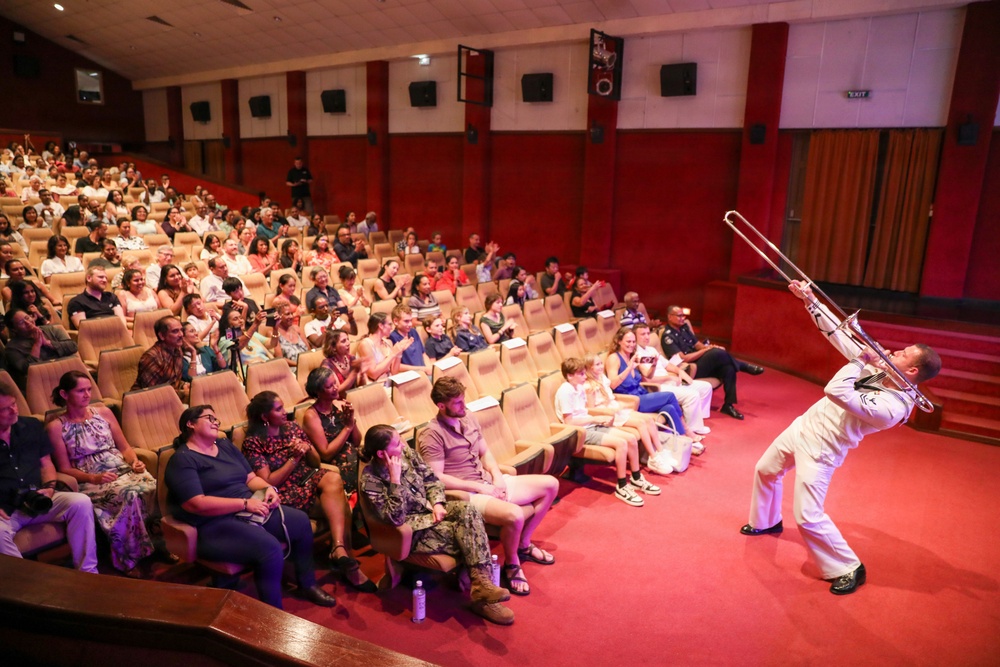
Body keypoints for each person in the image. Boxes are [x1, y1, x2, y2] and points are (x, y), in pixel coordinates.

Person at [740, 281, 942, 595]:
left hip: (822, 449)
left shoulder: (893, 407)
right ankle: (766, 521)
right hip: (802, 427)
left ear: (913, 371)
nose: (894, 352)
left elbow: (836, 391)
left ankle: (848, 567)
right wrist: (810, 301)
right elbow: (842, 338)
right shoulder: (884, 371)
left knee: (808, 516)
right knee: (765, 470)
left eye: (902, 354)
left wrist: (861, 361)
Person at [164, 405, 336, 609]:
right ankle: (272, 613)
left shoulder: (225, 445)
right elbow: (196, 503)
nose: (215, 422)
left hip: (248, 510)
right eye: (209, 417)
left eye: (216, 419)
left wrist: (268, 488)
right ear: (190, 424)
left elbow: (250, 478)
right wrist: (245, 503)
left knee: (299, 522)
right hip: (213, 524)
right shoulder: (183, 459)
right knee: (269, 548)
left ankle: (307, 584)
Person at [360, 424, 514, 625]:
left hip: (429, 512)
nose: (402, 445)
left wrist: (438, 504)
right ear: (381, 453)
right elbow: (394, 519)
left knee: (469, 511)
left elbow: (431, 480)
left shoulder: (406, 453)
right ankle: (482, 594)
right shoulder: (370, 480)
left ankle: (480, 586)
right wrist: (395, 480)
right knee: (467, 534)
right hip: (410, 530)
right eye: (397, 444)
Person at [418, 377, 559, 596]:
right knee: (515, 515)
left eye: (463, 400)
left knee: (551, 485)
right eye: (457, 403)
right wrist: (480, 487)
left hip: (487, 482)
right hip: (468, 493)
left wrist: (497, 477)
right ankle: (512, 563)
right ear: (441, 405)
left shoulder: (469, 417)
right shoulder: (432, 434)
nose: (463, 405)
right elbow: (437, 477)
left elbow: (485, 452)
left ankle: (523, 544)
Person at [243, 390, 375, 592]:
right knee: (342, 508)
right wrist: (293, 459)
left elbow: (315, 463)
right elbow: (268, 482)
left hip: (307, 479)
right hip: (283, 492)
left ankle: (339, 548)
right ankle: (348, 564)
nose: (285, 412)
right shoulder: (253, 442)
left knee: (332, 477)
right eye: (278, 409)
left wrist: (307, 448)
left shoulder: (291, 428)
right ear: (264, 416)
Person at [47, 371, 157, 574]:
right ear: (64, 394)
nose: (87, 394)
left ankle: (157, 544)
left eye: (89, 389)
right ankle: (130, 557)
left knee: (153, 486)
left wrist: (135, 462)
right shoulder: (56, 427)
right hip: (89, 478)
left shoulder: (104, 412)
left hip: (120, 468)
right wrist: (93, 478)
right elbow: (64, 468)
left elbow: (125, 447)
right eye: (80, 391)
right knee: (129, 494)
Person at [0, 386, 99, 573]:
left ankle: (88, 571)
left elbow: (46, 463)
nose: (13, 410)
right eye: (5, 409)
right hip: (6, 510)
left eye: (14, 404)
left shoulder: (31, 426)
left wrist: (50, 487)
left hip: (38, 498)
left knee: (81, 502)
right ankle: (22, 588)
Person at [555, 358, 658, 506]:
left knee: (631, 439)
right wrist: (596, 419)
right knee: (622, 443)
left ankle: (636, 478)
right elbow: (569, 422)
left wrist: (600, 417)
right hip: (580, 432)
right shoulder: (565, 391)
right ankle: (622, 486)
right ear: (570, 376)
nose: (585, 377)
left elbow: (584, 412)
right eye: (581, 374)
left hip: (590, 424)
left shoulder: (578, 388)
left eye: (585, 373)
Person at [661, 304, 764, 420]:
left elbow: (697, 344)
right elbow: (683, 358)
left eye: (683, 315)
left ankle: (728, 405)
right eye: (679, 316)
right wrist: (707, 350)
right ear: (670, 317)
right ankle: (743, 366)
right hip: (690, 369)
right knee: (716, 353)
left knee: (728, 369)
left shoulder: (684, 327)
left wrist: (709, 347)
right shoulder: (667, 336)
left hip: (700, 361)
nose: (682, 318)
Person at [582, 354, 675, 474]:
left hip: (615, 408)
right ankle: (653, 458)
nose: (601, 366)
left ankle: (660, 452)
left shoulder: (602, 377)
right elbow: (591, 409)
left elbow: (615, 384)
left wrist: (630, 367)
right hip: (608, 414)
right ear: (589, 368)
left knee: (648, 420)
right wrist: (612, 410)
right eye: (597, 364)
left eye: (601, 363)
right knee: (641, 423)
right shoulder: (589, 386)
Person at [605, 327, 689, 437]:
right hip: (631, 400)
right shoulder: (613, 358)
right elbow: (612, 384)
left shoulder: (633, 357)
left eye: (634, 342)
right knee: (670, 396)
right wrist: (629, 368)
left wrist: (654, 364)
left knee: (670, 408)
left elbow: (648, 375)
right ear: (619, 341)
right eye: (628, 341)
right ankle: (687, 431)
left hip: (642, 395)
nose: (631, 344)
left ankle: (681, 439)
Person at [633, 323, 713, 437]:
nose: (646, 337)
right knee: (692, 395)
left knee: (706, 387)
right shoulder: (636, 354)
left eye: (647, 333)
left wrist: (679, 371)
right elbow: (648, 380)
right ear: (635, 336)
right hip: (659, 387)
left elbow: (667, 365)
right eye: (642, 334)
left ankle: (699, 421)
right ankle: (692, 428)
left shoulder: (651, 350)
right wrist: (669, 377)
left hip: (672, 381)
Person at [3, 309, 78, 391]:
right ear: (14, 330)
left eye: (27, 318)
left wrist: (48, 343)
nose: (28, 323)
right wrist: (37, 345)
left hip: (67, 374)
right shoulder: (12, 348)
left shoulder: (50, 330)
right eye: (21, 323)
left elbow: (73, 346)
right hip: (42, 383)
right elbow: (27, 369)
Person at [133, 316, 190, 401]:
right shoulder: (152, 357)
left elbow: (173, 381)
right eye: (175, 331)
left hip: (171, 400)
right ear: (162, 336)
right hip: (145, 404)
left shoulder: (177, 350)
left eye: (181, 330)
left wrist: (184, 385)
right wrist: (184, 393)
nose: (181, 335)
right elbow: (154, 393)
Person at [357, 312, 410, 385]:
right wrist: (393, 354)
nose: (392, 328)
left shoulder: (388, 342)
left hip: (390, 382)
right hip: (376, 386)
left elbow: (394, 372)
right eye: (389, 324)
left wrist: (399, 353)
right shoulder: (365, 344)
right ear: (381, 326)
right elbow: (373, 374)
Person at [389, 304, 432, 376]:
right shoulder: (392, 338)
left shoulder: (413, 331)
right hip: (409, 376)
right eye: (406, 321)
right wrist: (422, 369)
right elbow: (396, 366)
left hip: (423, 373)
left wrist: (429, 367)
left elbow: (423, 354)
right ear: (396, 321)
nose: (410, 324)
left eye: (411, 320)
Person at [320, 330, 364, 397]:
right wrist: (354, 372)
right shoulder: (327, 366)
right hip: (338, 403)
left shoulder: (352, 358)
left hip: (354, 397)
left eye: (348, 339)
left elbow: (359, 386)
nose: (348, 343)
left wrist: (362, 374)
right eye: (343, 341)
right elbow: (336, 392)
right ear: (333, 347)